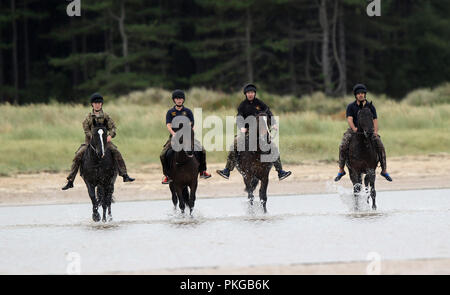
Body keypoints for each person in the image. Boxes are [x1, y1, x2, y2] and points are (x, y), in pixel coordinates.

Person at [216, 83, 291, 180]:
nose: (250, 94)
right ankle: (227, 170)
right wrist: (242, 127)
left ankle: (280, 171)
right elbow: (239, 118)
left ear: (255, 93)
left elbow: (269, 113)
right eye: (248, 93)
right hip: (247, 132)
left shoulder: (260, 103)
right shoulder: (242, 105)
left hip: (262, 133)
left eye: (252, 92)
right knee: (234, 144)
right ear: (245, 94)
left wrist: (273, 123)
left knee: (273, 146)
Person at [61, 93, 135, 190]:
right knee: (78, 155)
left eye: (99, 103)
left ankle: (124, 174)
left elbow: (112, 128)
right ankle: (70, 180)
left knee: (116, 152)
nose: (97, 104)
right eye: (95, 103)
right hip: (90, 143)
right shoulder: (88, 117)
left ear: (101, 104)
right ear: (92, 104)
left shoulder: (106, 116)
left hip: (105, 142)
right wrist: (91, 136)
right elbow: (86, 129)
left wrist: (110, 135)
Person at [334, 83, 392, 182]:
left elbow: (375, 120)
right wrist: (354, 129)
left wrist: (375, 132)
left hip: (369, 130)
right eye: (358, 93)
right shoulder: (351, 106)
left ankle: (384, 170)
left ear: (365, 94)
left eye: (362, 93)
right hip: (354, 130)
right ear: (355, 95)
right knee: (343, 145)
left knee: (380, 145)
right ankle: (341, 169)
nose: (361, 95)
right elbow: (349, 119)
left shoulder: (371, 107)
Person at [160, 89, 212, 184]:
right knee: (163, 154)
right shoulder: (170, 112)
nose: (179, 100)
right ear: (174, 100)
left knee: (202, 150)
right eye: (177, 99)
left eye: (180, 99)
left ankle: (202, 171)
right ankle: (167, 175)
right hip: (175, 136)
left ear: (183, 100)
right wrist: (173, 133)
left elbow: (192, 123)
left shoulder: (188, 111)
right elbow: (168, 124)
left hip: (187, 136)